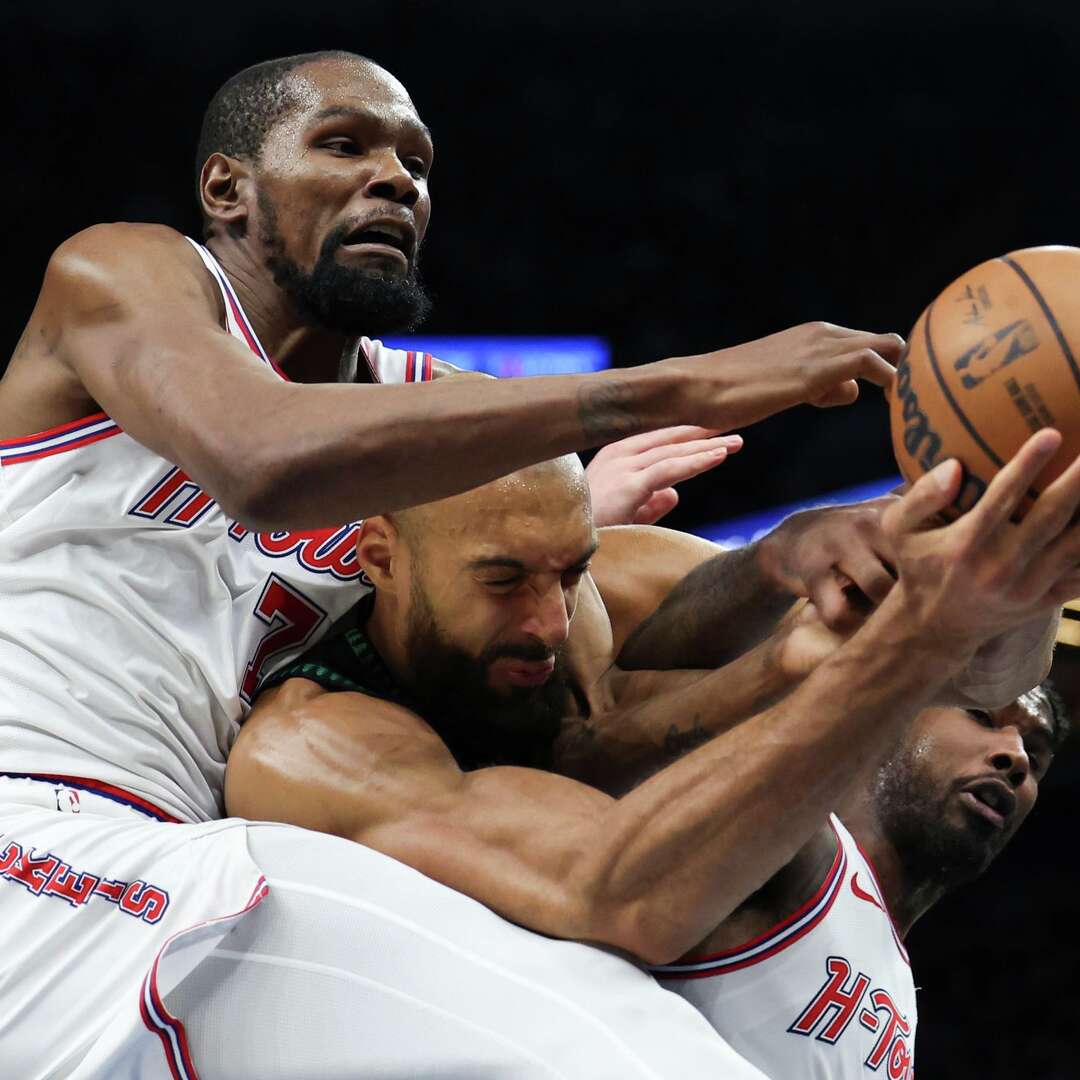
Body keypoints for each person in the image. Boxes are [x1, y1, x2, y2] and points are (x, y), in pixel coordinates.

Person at [0, 48, 918, 1078]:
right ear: (227, 188)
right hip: (43, 831)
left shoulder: (440, 409)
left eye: (418, 163)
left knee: (697, 1036)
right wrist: (684, 383)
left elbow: (595, 669)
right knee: (615, 1054)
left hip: (205, 854)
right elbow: (259, 458)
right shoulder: (126, 275)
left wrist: (789, 557)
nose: (397, 179)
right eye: (344, 145)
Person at [220, 434, 1079, 1076]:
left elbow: (991, 668)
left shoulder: (591, 594)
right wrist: (905, 648)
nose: (553, 620)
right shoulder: (315, 745)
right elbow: (619, 890)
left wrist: (1016, 486)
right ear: (381, 558)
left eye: (571, 572)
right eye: (504, 580)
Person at [654, 683, 1067, 1079]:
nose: (1017, 757)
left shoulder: (899, 987)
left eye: (1035, 753)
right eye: (981, 716)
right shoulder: (798, 848)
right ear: (894, 717)